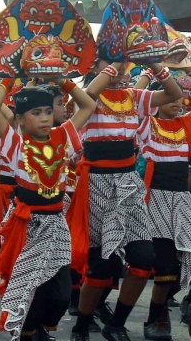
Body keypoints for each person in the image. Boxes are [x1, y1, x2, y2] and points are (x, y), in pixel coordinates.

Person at [68, 61, 182, 341]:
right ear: (96, 63)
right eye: (110, 59)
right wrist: (114, 66)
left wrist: (155, 63)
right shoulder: (84, 95)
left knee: (144, 260)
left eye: (121, 60)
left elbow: (172, 93)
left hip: (128, 182)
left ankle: (116, 324)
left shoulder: (134, 95)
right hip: (97, 183)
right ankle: (81, 325)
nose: (118, 66)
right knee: (102, 267)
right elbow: (91, 96)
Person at [0, 79, 96, 340]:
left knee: (60, 294)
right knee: (31, 288)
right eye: (36, 113)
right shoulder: (16, 144)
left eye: (48, 111)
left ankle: (38, 329)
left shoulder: (62, 136)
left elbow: (88, 105)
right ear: (21, 120)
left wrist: (64, 83)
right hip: (28, 226)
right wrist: (7, 80)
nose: (45, 118)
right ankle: (28, 333)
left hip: (56, 223)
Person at [136, 86, 191, 340]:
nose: (175, 101)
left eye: (179, 98)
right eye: (169, 97)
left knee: (184, 262)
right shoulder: (147, 124)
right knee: (165, 264)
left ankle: (177, 303)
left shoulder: (185, 124)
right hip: (156, 200)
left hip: (183, 200)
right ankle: (156, 317)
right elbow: (136, 104)